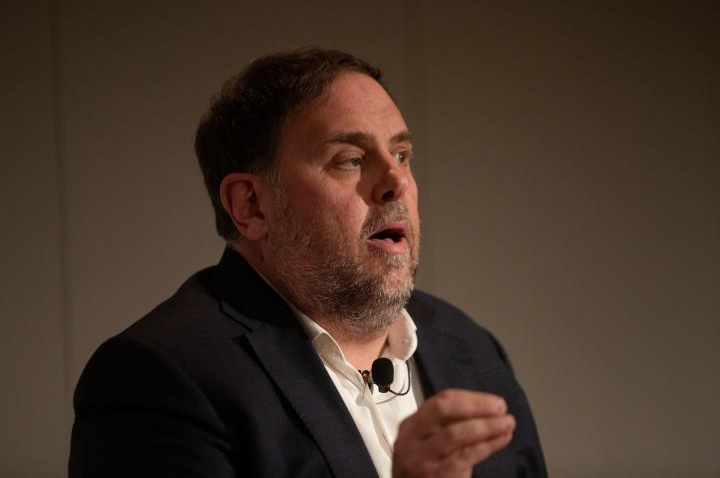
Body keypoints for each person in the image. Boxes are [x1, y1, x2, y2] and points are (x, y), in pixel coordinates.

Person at [69, 47, 546, 478]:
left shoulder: (469, 348)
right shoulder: (162, 378)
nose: (396, 182)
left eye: (401, 154)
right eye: (350, 159)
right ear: (251, 205)